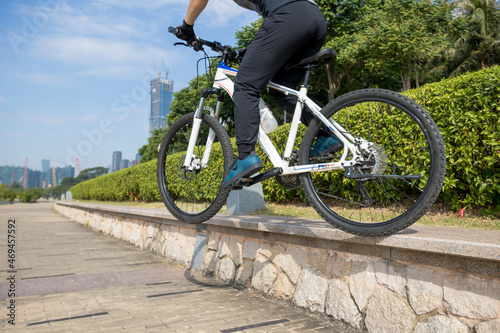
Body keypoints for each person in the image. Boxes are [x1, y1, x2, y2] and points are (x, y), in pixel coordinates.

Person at [175, 0, 341, 190]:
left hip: (288, 15)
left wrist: (187, 26)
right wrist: (249, 51)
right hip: (313, 18)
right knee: (281, 91)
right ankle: (328, 135)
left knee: (245, 85)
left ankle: (245, 157)